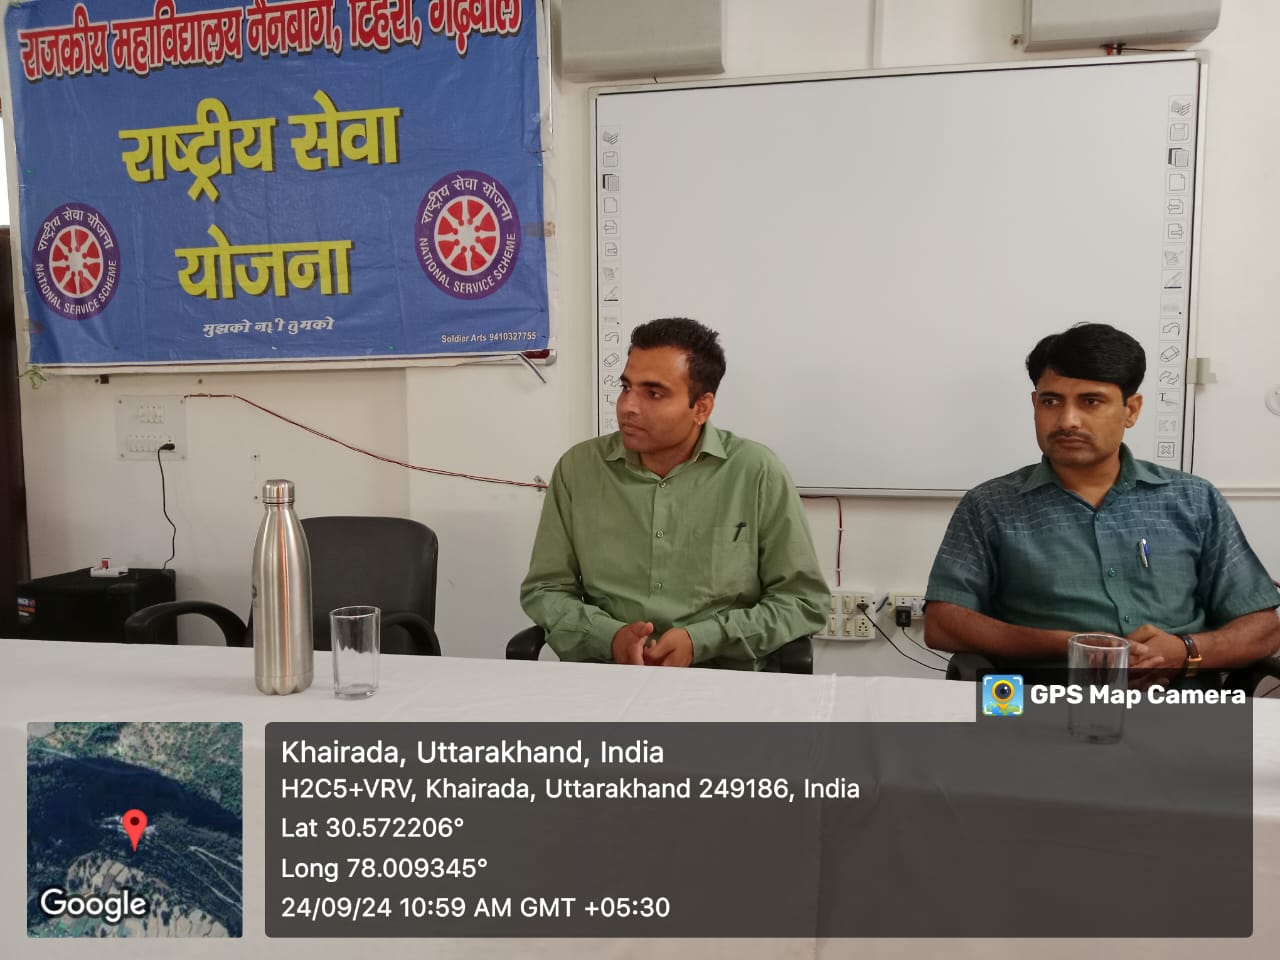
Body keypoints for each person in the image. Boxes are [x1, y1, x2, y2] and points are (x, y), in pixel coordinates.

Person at [925, 322, 1279, 684]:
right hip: (1043, 701)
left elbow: (1264, 627)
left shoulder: (1193, 499)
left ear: (1131, 410)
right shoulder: (990, 505)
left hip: (1180, 702)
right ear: (1035, 405)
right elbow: (942, 623)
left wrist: (1182, 651)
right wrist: (1072, 647)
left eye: (1091, 401)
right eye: (1051, 401)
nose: (1067, 421)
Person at [520, 317, 828, 669]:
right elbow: (545, 590)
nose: (628, 406)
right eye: (626, 387)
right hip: (607, 675)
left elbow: (802, 602)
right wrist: (609, 637)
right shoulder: (579, 469)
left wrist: (704, 640)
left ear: (702, 408)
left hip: (721, 679)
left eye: (653, 393)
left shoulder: (756, 472)